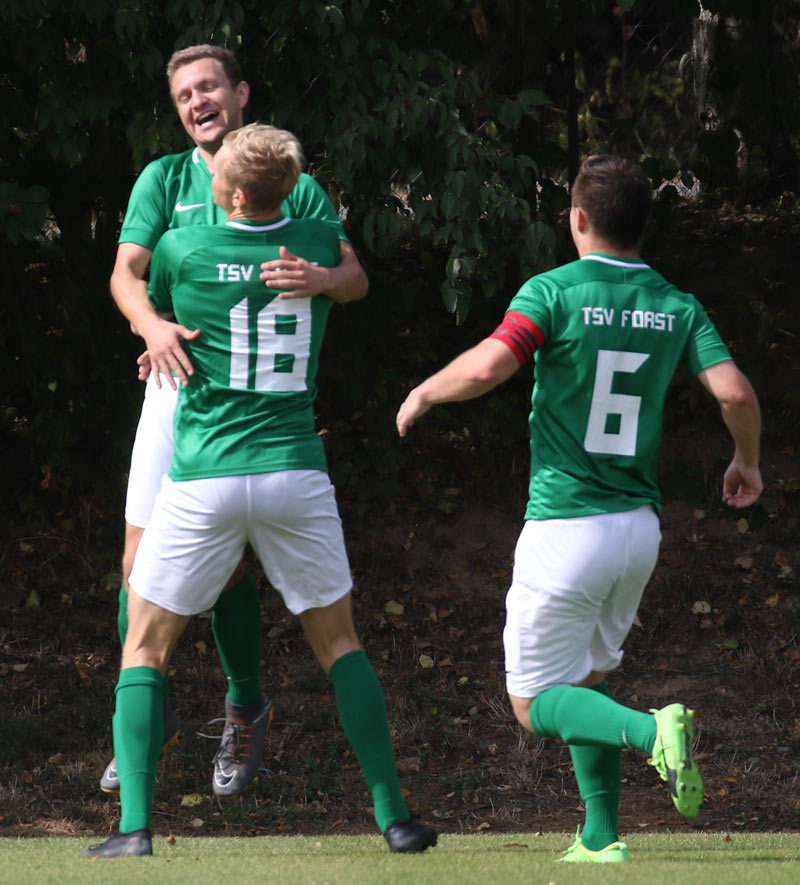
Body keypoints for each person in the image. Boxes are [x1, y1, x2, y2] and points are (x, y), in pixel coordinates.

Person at [396, 155, 762, 863]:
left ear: (578, 218)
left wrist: (426, 391)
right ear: (643, 223)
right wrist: (746, 459)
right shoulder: (676, 303)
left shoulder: (554, 291)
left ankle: (651, 732)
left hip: (567, 524)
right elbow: (736, 393)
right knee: (588, 677)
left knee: (534, 703)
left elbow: (490, 365)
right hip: (638, 531)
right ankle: (600, 838)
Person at [85, 124, 437, 859]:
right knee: (340, 644)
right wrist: (325, 279)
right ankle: (396, 819)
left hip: (206, 475)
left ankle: (134, 829)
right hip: (293, 472)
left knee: (144, 646)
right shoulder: (314, 241)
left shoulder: (182, 248)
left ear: (237, 195)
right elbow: (354, 279)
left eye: (220, 177)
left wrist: (162, 331)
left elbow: (169, 305)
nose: (210, 182)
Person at [102, 44, 369, 798]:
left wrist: (323, 277)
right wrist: (153, 327)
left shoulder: (294, 180)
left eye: (209, 86)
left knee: (227, 566)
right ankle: (145, 720)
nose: (198, 101)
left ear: (241, 93)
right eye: (184, 93)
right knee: (135, 566)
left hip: (257, 404)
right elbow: (126, 274)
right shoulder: (164, 178)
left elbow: (353, 278)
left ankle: (244, 705)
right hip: (175, 388)